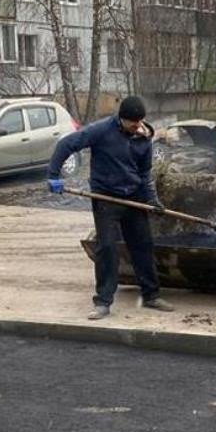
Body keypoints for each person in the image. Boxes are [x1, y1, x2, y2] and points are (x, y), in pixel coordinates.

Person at [47, 96, 175, 320]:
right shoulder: (101, 130)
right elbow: (66, 144)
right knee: (107, 248)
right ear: (121, 119)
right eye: (132, 123)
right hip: (105, 196)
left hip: (133, 196)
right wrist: (53, 175)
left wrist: (152, 200)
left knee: (143, 245)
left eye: (140, 122)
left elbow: (145, 174)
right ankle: (103, 302)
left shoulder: (144, 139)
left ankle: (151, 295)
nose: (138, 127)